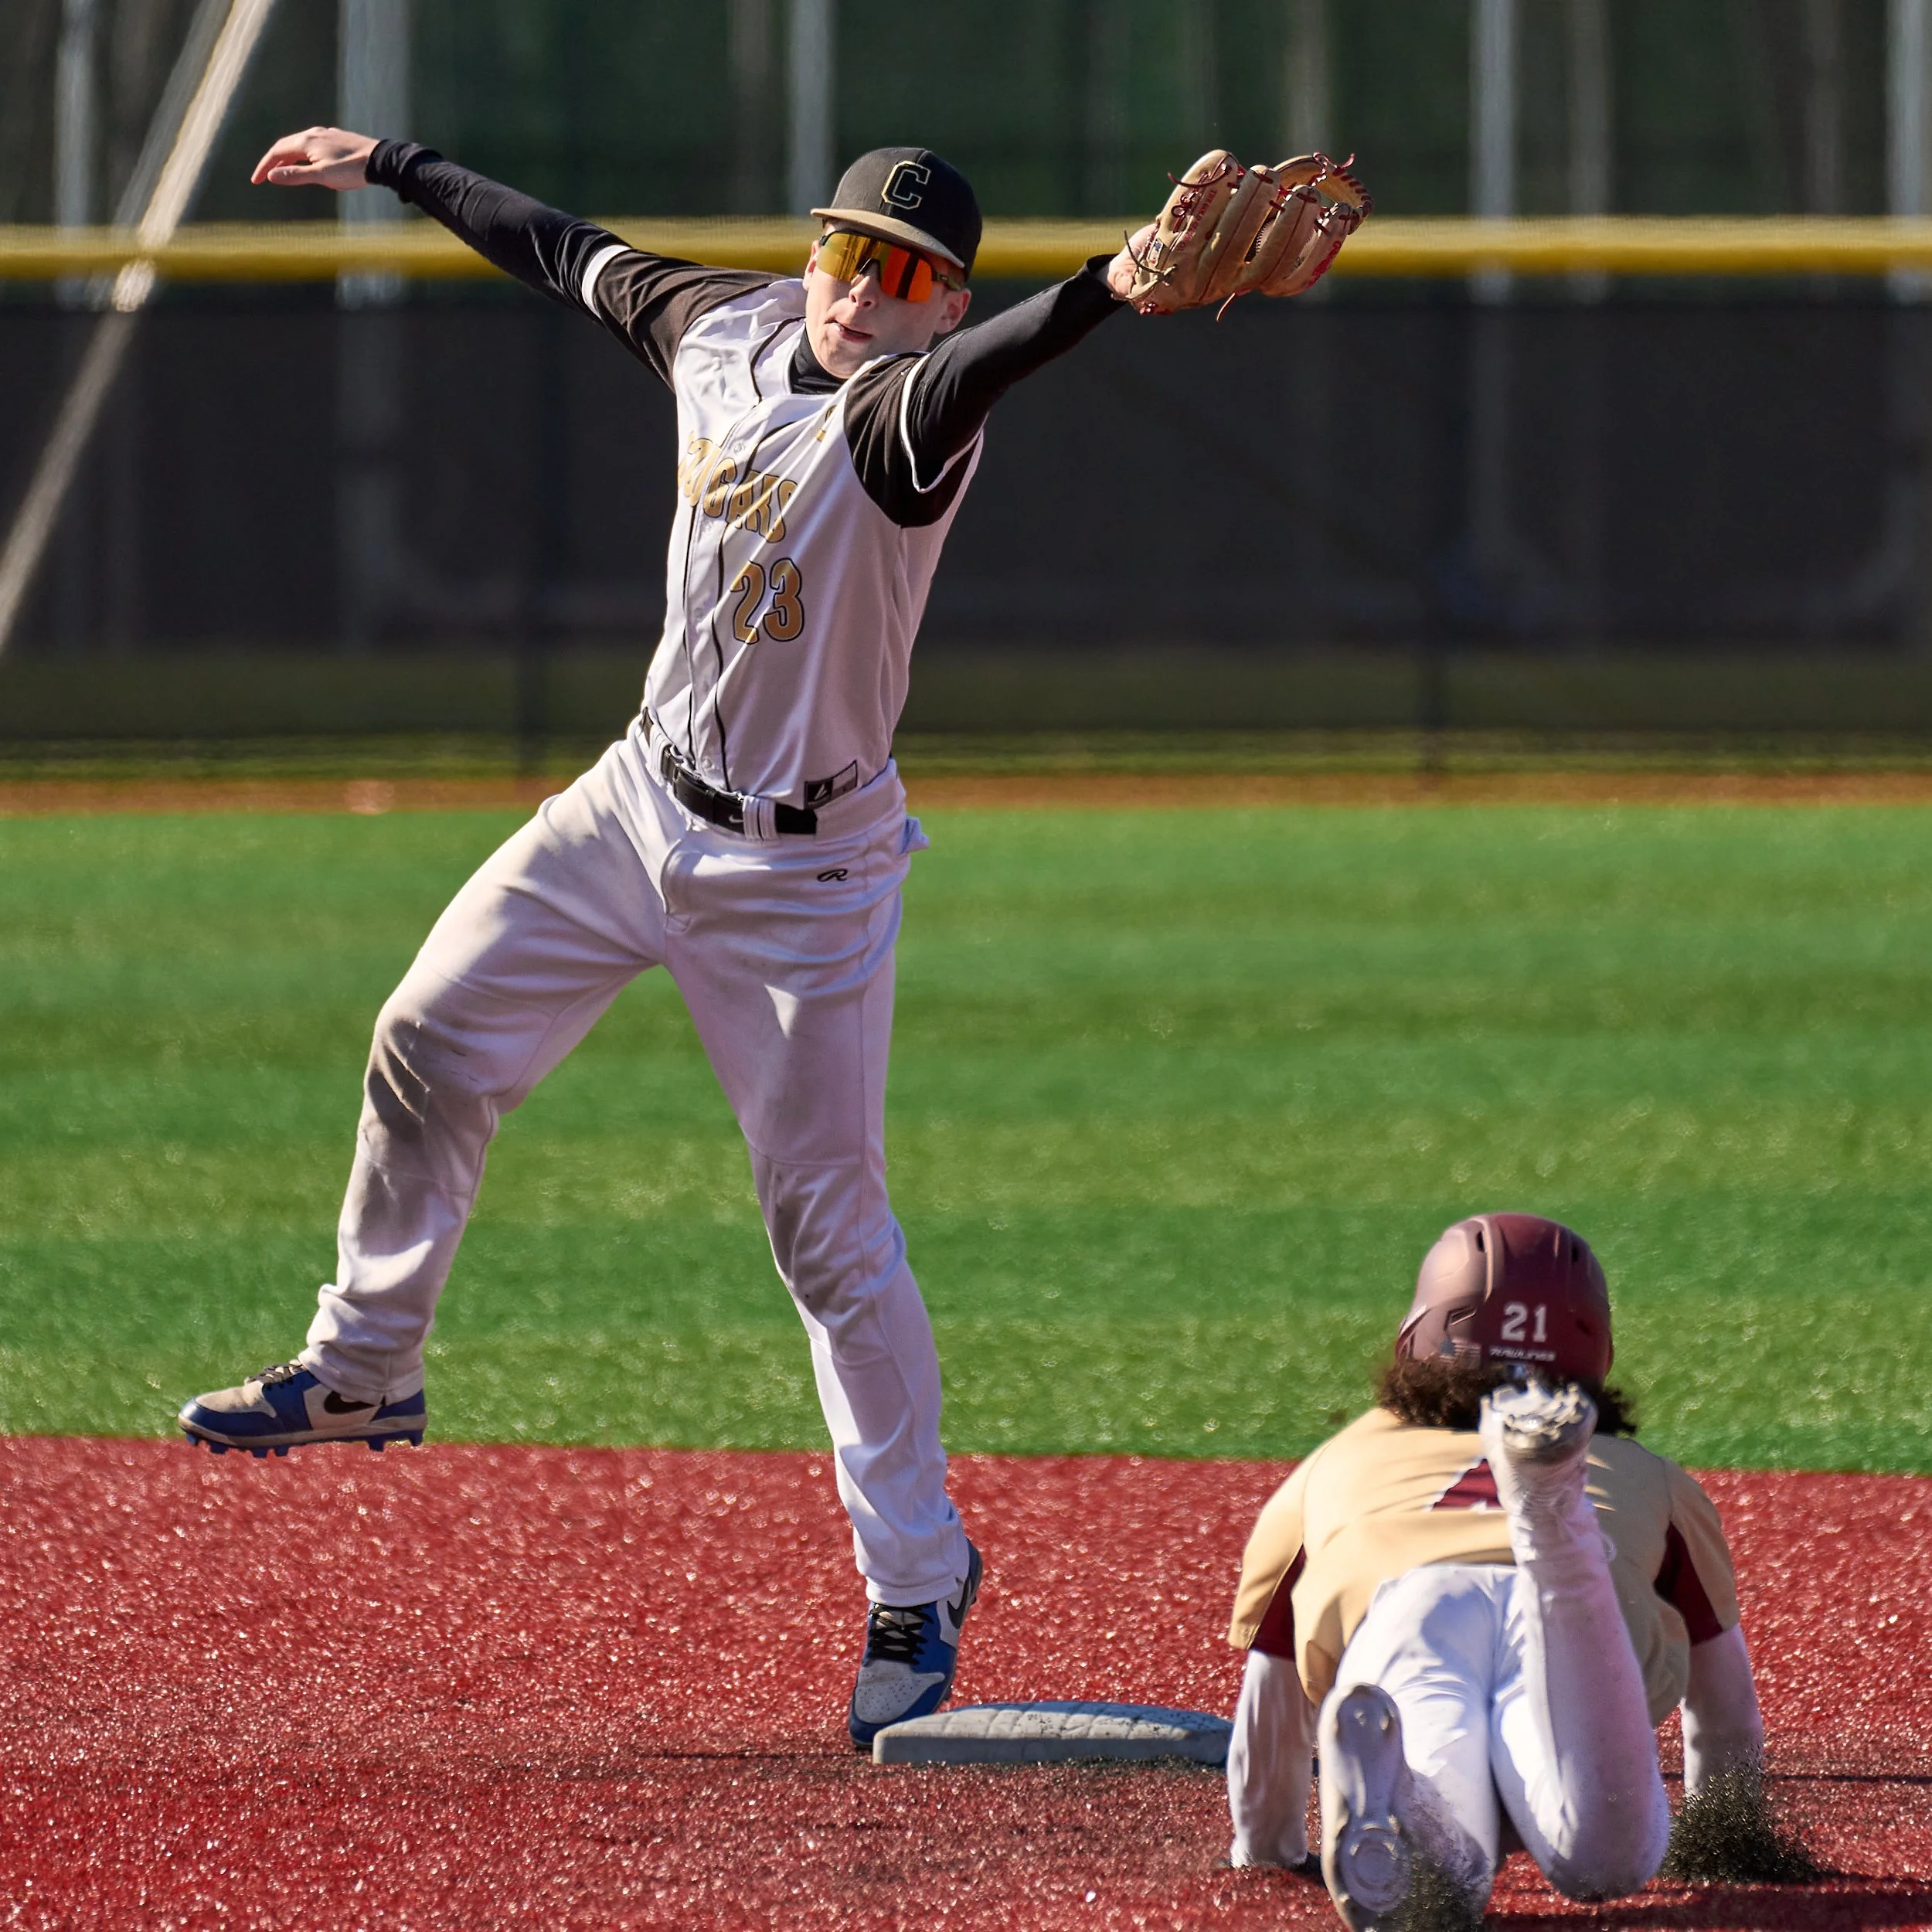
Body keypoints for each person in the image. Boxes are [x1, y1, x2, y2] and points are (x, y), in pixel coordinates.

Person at [176, 125, 1168, 1750]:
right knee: (427, 1036)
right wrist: (397, 163)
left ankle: (918, 1577)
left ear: (942, 304)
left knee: (828, 1236)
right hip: (636, 801)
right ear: (812, 248)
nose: (866, 288)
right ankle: (364, 1365)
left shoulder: (902, 421)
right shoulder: (717, 324)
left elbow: (1000, 360)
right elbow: (558, 246)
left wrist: (1112, 284)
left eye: (908, 274)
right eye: (849, 249)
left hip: (804, 881)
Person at [1223, 1213, 1767, 1929]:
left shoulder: (1337, 1461)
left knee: (1448, 1864)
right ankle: (1555, 1524)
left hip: (1411, 1605)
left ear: (1419, 1334)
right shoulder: (1650, 1475)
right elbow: (1724, 1704)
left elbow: (1271, 1695)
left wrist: (1264, 1846)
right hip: (1565, 1614)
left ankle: (1410, 1798)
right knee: (1604, 1860)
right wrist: (1731, 1838)